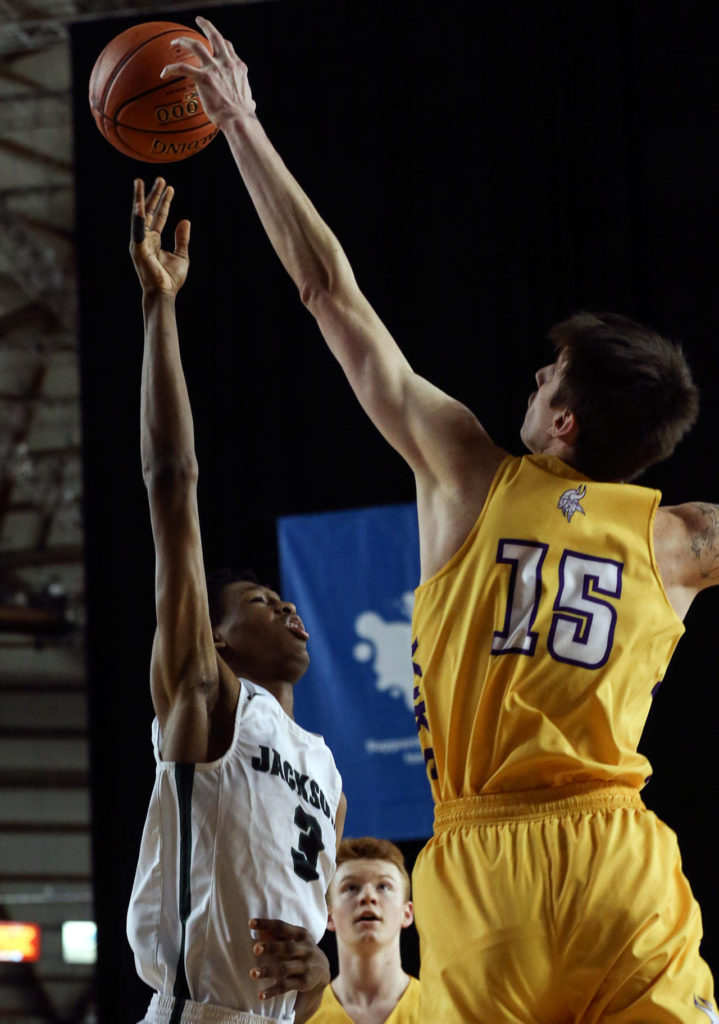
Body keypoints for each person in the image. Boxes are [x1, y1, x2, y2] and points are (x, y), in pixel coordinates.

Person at [164, 19, 718, 1022]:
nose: (532, 375)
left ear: (562, 420)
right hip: (614, 860)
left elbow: (326, 292)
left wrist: (241, 125)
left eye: (544, 374)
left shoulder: (466, 468)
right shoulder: (680, 537)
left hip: (484, 865)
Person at [126, 176, 346, 1024]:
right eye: (259, 600)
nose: (287, 610)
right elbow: (171, 484)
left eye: (286, 602)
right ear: (213, 640)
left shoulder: (328, 771)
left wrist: (321, 973)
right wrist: (158, 307)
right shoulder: (209, 698)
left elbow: (308, 937)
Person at [307, 838, 419, 1024]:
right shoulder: (302, 1016)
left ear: (406, 913)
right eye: (351, 887)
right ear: (328, 916)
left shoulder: (440, 1006)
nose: (368, 896)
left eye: (383, 886)